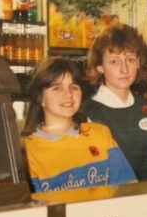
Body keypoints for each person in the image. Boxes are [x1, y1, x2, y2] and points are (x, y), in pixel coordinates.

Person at [22, 58, 136, 194]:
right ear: (40, 97)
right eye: (57, 88)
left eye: (74, 87)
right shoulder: (28, 151)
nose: (68, 94)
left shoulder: (100, 134)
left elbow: (128, 189)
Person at [82, 24, 147, 181]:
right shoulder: (87, 113)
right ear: (100, 67)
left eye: (130, 60)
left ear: (138, 62)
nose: (124, 69)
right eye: (114, 61)